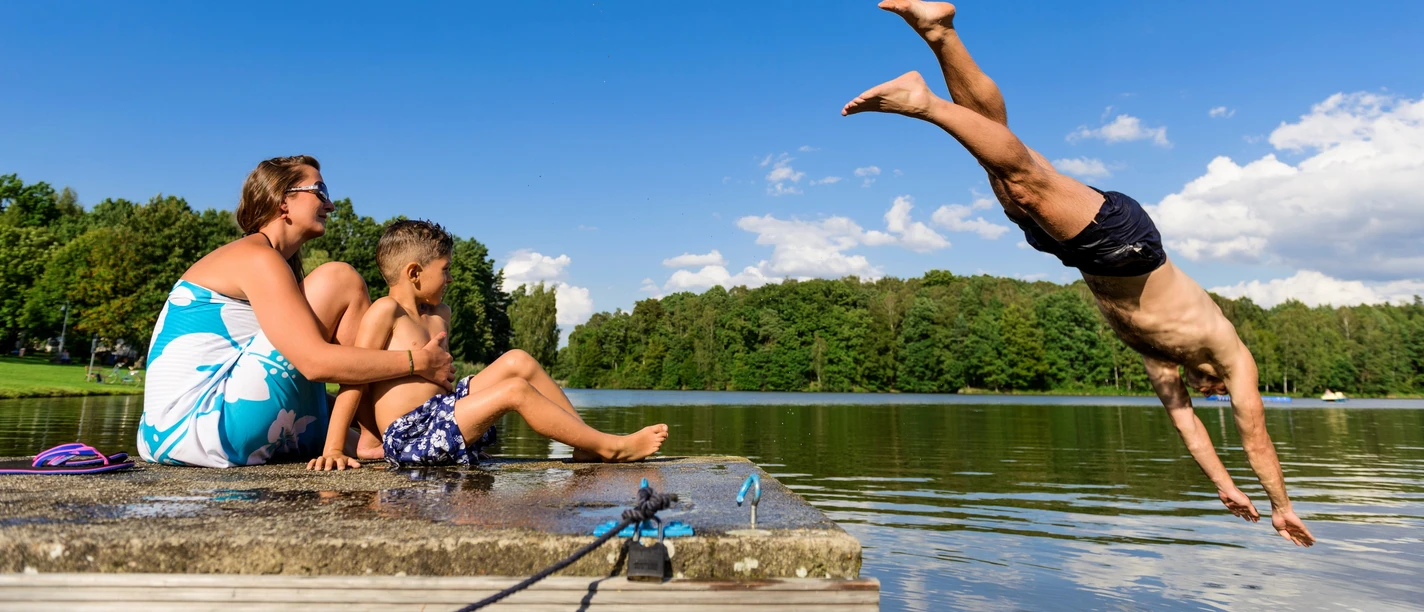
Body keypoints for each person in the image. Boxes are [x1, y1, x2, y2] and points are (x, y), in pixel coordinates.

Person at [843, 1, 1313, 546]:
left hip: (1081, 255)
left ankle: (939, 32)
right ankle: (922, 102)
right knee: (1020, 176)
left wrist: (1224, 486)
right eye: (1213, 393)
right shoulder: (1234, 358)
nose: (1208, 395)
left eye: (1206, 394)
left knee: (996, 151)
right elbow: (1253, 434)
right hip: (1126, 241)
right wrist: (1282, 506)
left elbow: (1188, 428)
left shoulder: (1163, 362)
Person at [137, 156, 456, 468]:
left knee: (343, 416)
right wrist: (418, 362)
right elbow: (314, 363)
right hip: (204, 426)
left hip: (172, 435)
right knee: (341, 279)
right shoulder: (257, 258)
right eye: (321, 192)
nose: (330, 205)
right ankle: (391, 432)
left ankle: (386, 436)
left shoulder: (266, 262)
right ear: (282, 201)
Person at [305, 220, 669, 471]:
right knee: (514, 391)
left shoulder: (440, 314)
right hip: (414, 434)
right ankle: (610, 445)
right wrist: (335, 448)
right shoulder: (385, 312)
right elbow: (356, 381)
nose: (449, 278)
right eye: (445, 270)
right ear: (414, 273)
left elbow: (441, 382)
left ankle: (585, 445)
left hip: (445, 411)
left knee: (518, 361)